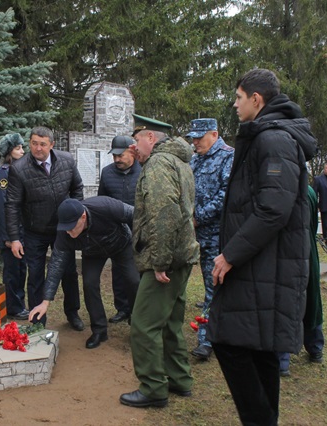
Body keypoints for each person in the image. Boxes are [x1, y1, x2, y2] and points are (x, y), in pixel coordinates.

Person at [208, 68, 317, 425]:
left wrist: (230, 255)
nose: (235, 104)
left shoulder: (274, 140)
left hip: (261, 264)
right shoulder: (266, 136)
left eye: (239, 97)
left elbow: (273, 209)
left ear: (257, 100)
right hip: (261, 262)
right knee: (260, 348)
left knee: (227, 341)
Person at [119, 114, 199, 408]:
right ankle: (179, 380)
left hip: (165, 260)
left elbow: (164, 214)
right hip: (183, 255)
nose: (133, 147)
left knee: (143, 324)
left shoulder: (158, 165)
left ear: (150, 138)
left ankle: (154, 388)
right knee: (170, 323)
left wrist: (160, 262)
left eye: (136, 140)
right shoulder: (181, 162)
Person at [28, 197, 139, 349]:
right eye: (65, 227)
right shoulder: (64, 233)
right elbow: (56, 265)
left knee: (134, 281)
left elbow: (138, 215)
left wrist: (141, 243)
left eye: (72, 226)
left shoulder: (105, 206)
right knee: (89, 284)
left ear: (83, 217)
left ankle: (138, 325)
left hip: (121, 243)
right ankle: (99, 330)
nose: (68, 231)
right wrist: (45, 301)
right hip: (93, 252)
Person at [5, 126, 84, 330]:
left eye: (42, 144)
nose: (37, 148)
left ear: (52, 144)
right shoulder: (19, 168)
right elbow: (12, 204)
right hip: (34, 231)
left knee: (68, 272)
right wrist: (14, 238)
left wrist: (75, 217)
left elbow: (77, 188)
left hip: (63, 230)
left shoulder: (67, 161)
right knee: (36, 275)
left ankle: (72, 312)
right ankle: (38, 320)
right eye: (33, 143)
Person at [186, 118, 234, 361]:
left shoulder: (228, 157)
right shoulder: (195, 159)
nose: (195, 142)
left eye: (199, 137)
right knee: (210, 286)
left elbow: (226, 195)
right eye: (193, 138)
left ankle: (206, 340)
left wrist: (199, 218)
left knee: (213, 287)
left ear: (214, 134)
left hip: (217, 235)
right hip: (196, 236)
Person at [277, 185, 325, 376]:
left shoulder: (283, 190)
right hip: (306, 249)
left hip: (288, 253)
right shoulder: (309, 191)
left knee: (286, 303)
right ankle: (314, 348)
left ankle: (283, 359)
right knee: (309, 300)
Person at [98, 134, 142, 324]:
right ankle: (122, 308)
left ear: (132, 152)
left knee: (136, 274)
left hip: (138, 229)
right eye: (114, 156)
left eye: (120, 155)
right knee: (118, 271)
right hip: (116, 231)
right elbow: (102, 200)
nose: (116, 160)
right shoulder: (107, 173)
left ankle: (136, 311)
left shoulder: (144, 172)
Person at [0, 133, 29, 320]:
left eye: (22, 147)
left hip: (20, 232)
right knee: (12, 271)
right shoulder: (4, 174)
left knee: (21, 269)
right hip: (10, 236)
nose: (22, 151)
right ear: (9, 152)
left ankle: (19, 304)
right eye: (18, 148)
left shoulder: (17, 170)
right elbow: (1, 206)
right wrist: (8, 238)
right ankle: (13, 307)